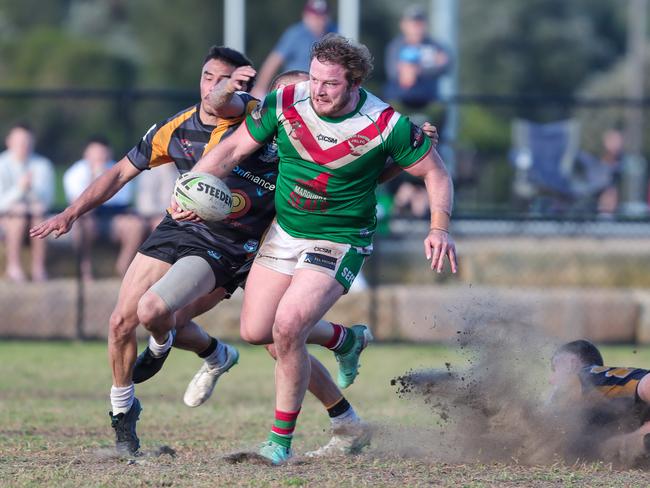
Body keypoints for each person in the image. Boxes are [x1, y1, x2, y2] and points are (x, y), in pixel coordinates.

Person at [30, 49, 370, 459]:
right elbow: (126, 168)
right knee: (139, 319)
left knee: (279, 337)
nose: (214, 87)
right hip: (183, 232)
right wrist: (71, 212)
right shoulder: (209, 124)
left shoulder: (291, 137)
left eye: (224, 80)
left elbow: (365, 163)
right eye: (207, 77)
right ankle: (201, 368)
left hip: (249, 248)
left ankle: (341, 394)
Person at [189, 33, 457, 464]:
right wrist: (190, 188)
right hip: (286, 232)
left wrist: (439, 226)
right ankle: (345, 339)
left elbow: (436, 173)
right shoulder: (285, 102)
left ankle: (279, 443)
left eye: (330, 83)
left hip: (340, 239)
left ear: (355, 84)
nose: (317, 90)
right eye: (314, 79)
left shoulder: (386, 123)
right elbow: (233, 149)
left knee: (289, 327)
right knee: (257, 331)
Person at [549, 340, 650, 465]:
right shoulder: (598, 406)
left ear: (570, 363)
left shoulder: (586, 377)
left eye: (555, 368)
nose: (550, 380)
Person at [63, 137, 144, 280]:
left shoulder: (119, 169)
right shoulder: (75, 172)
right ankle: (84, 265)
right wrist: (95, 180)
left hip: (113, 218)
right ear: (86, 154)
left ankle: (124, 264)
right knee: (84, 224)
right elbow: (77, 204)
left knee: (136, 226)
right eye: (96, 153)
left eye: (103, 153)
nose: (100, 157)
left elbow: (122, 202)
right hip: (88, 217)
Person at [0, 123, 55, 282]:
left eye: (26, 141)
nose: (23, 146)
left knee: (37, 213)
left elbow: (47, 200)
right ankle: (14, 266)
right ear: (9, 142)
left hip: (34, 217)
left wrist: (28, 193)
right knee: (19, 213)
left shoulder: (43, 165)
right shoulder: (1, 164)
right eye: (19, 141)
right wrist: (21, 189)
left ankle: (38, 268)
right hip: (7, 219)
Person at [251, 0, 335, 99]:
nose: (319, 21)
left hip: (323, 91)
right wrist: (260, 88)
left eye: (322, 17)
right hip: (296, 90)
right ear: (305, 16)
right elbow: (273, 61)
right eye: (315, 17)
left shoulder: (335, 33)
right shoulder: (295, 34)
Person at [383, 5, 451, 111]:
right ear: (403, 25)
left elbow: (445, 66)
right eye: (412, 23)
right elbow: (394, 73)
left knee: (440, 111)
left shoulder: (435, 45)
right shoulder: (396, 46)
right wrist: (431, 64)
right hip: (399, 99)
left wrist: (416, 70)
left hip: (429, 99)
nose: (416, 27)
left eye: (419, 23)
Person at [134, 163, 178, 232]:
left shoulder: (180, 170)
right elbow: (145, 206)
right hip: (152, 215)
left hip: (169, 214)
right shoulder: (152, 171)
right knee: (162, 223)